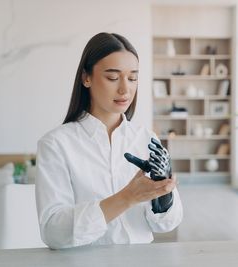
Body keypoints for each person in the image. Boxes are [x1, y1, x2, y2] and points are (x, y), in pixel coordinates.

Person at [35, 32, 183, 249]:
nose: (125, 89)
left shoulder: (146, 139)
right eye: (113, 78)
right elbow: (54, 232)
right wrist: (126, 198)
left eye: (132, 78)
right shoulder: (56, 144)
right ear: (86, 77)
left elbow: (167, 224)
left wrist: (163, 197)